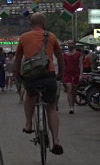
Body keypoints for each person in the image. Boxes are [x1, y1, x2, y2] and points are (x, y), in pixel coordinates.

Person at [14, 13, 65, 155]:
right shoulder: (52, 36)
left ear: (31, 24)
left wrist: (17, 74)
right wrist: (60, 73)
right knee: (51, 107)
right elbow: (60, 58)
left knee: (30, 97)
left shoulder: (23, 38)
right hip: (48, 75)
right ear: (44, 23)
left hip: (31, 77)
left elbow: (18, 60)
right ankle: (56, 140)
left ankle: (29, 124)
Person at [63, 41, 83, 114]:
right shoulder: (64, 55)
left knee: (74, 91)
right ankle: (71, 107)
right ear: (67, 45)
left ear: (74, 45)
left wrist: (81, 74)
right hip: (67, 74)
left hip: (76, 75)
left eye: (71, 43)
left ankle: (73, 104)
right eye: (69, 43)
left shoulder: (78, 54)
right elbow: (63, 65)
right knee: (69, 89)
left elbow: (81, 65)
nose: (70, 45)